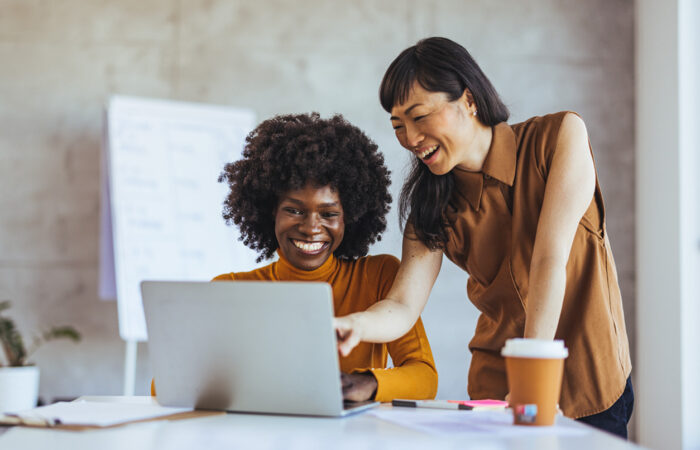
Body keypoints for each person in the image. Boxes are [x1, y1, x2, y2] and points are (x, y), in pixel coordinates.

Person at [334, 37, 633, 437]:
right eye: (398, 125)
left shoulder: (559, 137)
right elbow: (403, 305)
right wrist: (356, 323)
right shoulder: (431, 205)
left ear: (469, 100)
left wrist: (532, 382)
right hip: (497, 389)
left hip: (590, 379)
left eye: (419, 116)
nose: (409, 137)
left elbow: (549, 257)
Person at [151, 113, 437, 403]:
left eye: (329, 214)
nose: (312, 228)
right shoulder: (229, 289)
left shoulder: (379, 276)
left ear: (350, 217)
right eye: (295, 210)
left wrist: (363, 384)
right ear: (269, 211)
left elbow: (425, 377)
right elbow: (165, 385)